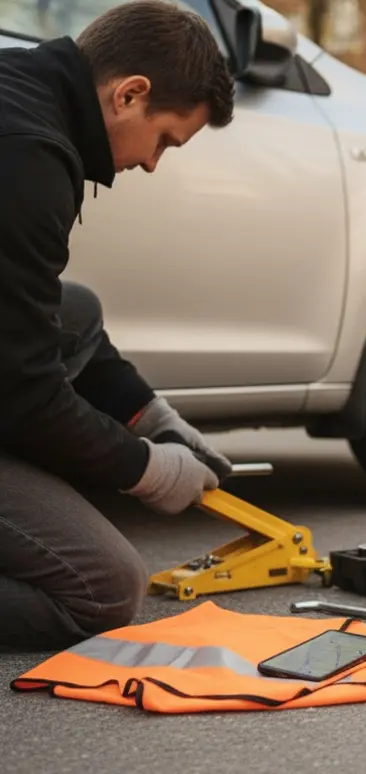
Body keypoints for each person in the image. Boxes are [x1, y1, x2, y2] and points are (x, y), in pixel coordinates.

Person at [0, 0, 238, 651]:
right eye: (165, 139)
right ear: (130, 94)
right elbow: (21, 397)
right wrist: (147, 469)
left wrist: (149, 417)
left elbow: (38, 322)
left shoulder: (21, 89)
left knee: (75, 307)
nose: (155, 163)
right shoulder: (28, 159)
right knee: (103, 586)